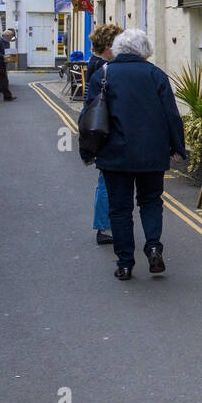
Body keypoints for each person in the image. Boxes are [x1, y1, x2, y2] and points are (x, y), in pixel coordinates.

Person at [81, 28, 186, 280]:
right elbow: (171, 115)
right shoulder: (155, 74)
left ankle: (125, 263)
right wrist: (177, 148)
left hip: (114, 155)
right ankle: (152, 248)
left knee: (119, 209)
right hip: (151, 153)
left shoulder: (103, 75)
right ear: (144, 50)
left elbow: (88, 117)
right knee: (151, 202)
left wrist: (88, 151)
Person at [86, 23, 122, 245]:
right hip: (106, 130)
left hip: (100, 129)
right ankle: (104, 228)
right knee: (106, 181)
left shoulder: (98, 63)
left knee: (107, 180)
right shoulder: (104, 67)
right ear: (109, 45)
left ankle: (106, 225)